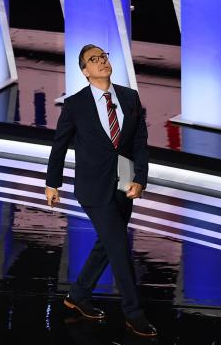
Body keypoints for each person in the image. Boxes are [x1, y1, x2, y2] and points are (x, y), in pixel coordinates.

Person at [45, 43, 158, 338]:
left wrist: (140, 179)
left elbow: (139, 143)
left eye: (103, 56)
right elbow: (59, 145)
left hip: (124, 183)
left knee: (107, 244)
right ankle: (134, 314)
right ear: (85, 71)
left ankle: (78, 295)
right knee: (119, 249)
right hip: (93, 188)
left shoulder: (130, 97)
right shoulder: (75, 104)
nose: (101, 62)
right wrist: (52, 183)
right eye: (93, 59)